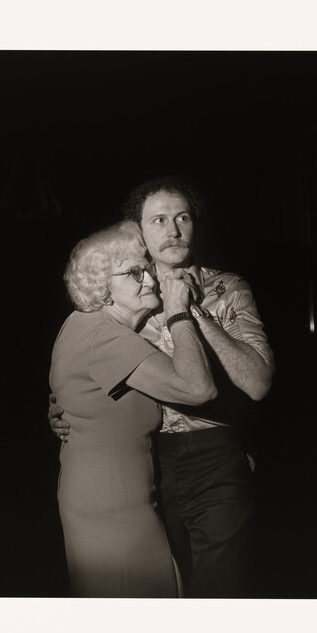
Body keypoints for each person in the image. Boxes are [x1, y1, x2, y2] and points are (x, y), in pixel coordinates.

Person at [50, 178, 275, 598]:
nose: (173, 230)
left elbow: (258, 384)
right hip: (151, 462)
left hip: (216, 454)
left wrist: (189, 310)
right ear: (139, 231)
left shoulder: (226, 288)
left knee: (217, 591)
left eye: (182, 217)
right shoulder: (124, 288)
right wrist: (69, 408)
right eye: (158, 220)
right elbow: (88, 363)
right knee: (166, 586)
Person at [49, 220, 216, 598]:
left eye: (148, 269)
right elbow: (199, 388)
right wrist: (178, 312)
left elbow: (77, 393)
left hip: (104, 498)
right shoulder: (104, 335)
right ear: (102, 288)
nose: (151, 280)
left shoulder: (82, 325)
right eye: (134, 272)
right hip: (113, 508)